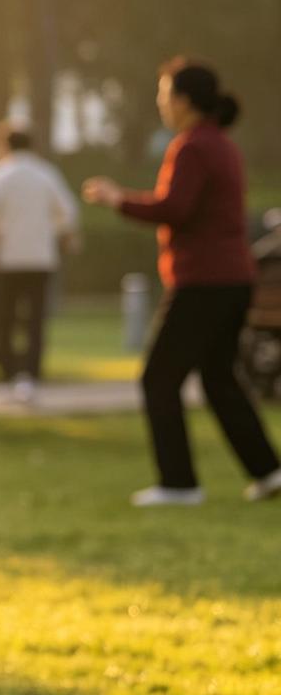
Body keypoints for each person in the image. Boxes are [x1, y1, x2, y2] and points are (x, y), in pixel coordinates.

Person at [84, 59, 281, 508]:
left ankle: (178, 484)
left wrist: (119, 200)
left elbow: (175, 208)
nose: (160, 103)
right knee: (218, 378)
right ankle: (269, 472)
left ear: (185, 101)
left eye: (164, 94)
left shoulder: (192, 147)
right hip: (234, 279)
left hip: (204, 280)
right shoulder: (222, 146)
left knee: (159, 378)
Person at [0, 121, 79, 402]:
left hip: (8, 259)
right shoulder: (45, 173)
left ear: (3, 146)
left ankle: (6, 377)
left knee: (6, 318)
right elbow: (69, 212)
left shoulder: (0, 174)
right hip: (41, 258)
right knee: (35, 320)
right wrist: (58, 232)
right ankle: (31, 378)